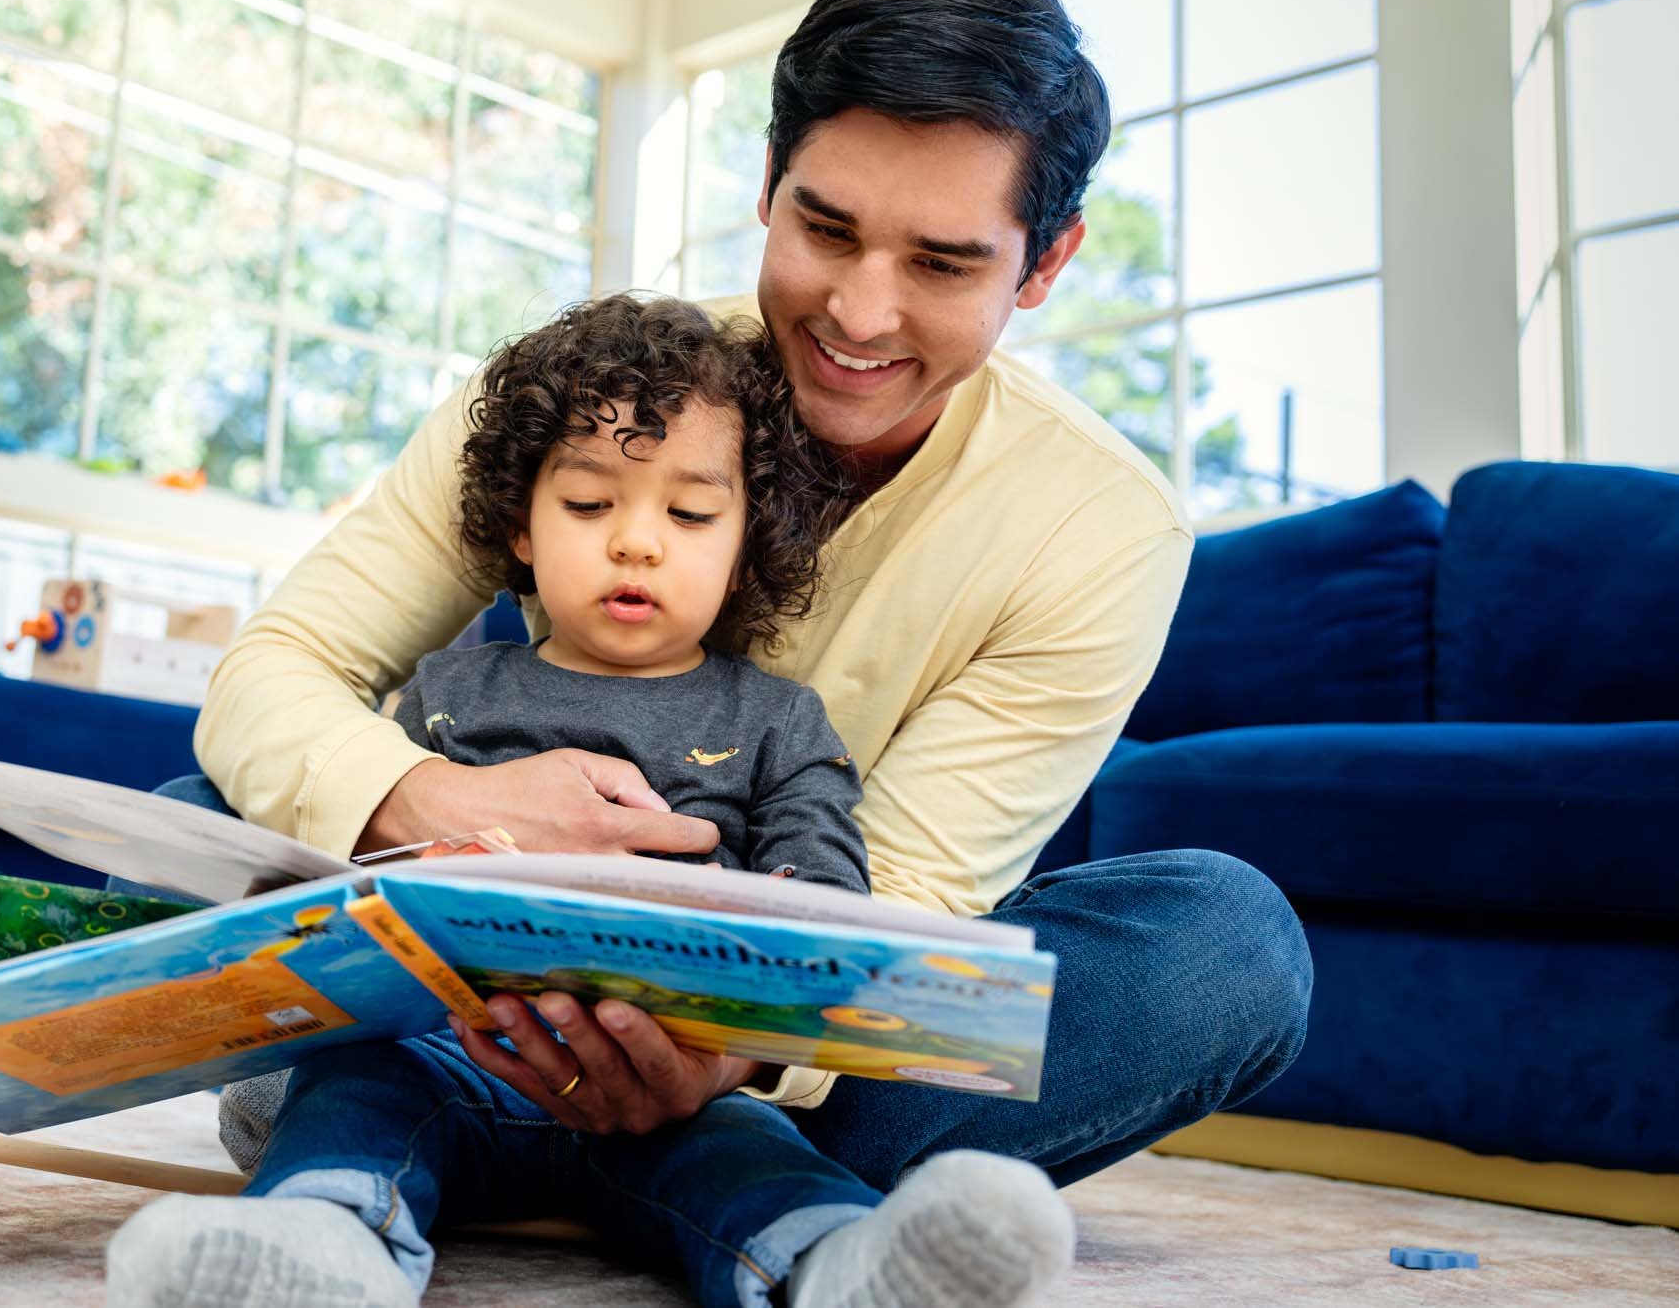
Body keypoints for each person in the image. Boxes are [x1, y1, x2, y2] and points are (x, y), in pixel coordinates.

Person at [164, 0, 1308, 1276]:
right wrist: (432, 802)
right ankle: (469, 1118)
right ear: (766, 185)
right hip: (460, 980)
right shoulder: (579, 394)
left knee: (1224, 945)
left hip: (798, 1042)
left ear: (1044, 261)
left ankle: (423, 1126)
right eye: (824, 229)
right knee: (199, 805)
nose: (860, 313)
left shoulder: (1103, 525)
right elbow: (279, 667)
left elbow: (916, 898)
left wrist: (726, 1042)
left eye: (942, 262)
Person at [106, 295, 1075, 1308]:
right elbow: (361, 887)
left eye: (689, 513)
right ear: (518, 528)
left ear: (746, 539)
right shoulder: (448, 689)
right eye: (587, 504)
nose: (636, 542)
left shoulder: (784, 719)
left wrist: (742, 1003)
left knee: (756, 1156)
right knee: (352, 1098)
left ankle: (846, 1266)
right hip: (444, 1057)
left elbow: (835, 904)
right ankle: (313, 1245)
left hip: (681, 1086)